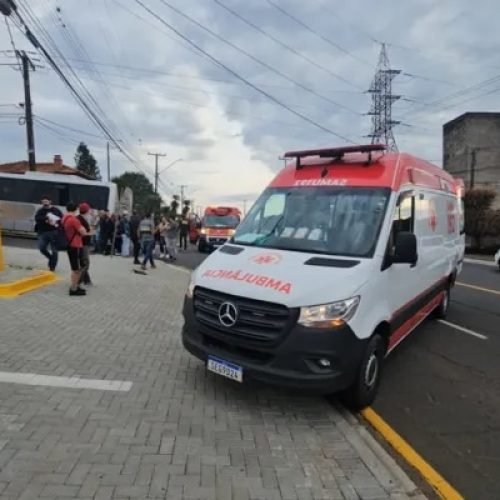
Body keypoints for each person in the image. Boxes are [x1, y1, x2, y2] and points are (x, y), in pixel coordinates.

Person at [61, 203, 87, 296]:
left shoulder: (64, 218)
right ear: (76, 209)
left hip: (69, 244)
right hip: (75, 245)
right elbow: (83, 232)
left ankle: (75, 285)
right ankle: (73, 289)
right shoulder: (74, 220)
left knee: (76, 267)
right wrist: (83, 228)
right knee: (76, 269)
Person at [34, 196, 63, 271]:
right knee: (42, 248)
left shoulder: (56, 210)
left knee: (54, 251)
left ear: (50, 201)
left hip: (54, 232)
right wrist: (46, 219)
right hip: (43, 232)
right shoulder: (40, 211)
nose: (45, 203)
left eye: (46, 201)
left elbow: (61, 219)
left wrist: (55, 222)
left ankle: (52, 267)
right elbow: (37, 218)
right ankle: (51, 258)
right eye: (43, 202)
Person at [77, 202, 93, 286]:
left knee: (84, 262)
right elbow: (84, 232)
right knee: (85, 263)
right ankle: (78, 281)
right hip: (83, 244)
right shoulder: (80, 219)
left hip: (84, 243)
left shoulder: (82, 218)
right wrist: (90, 232)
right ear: (86, 211)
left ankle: (87, 280)